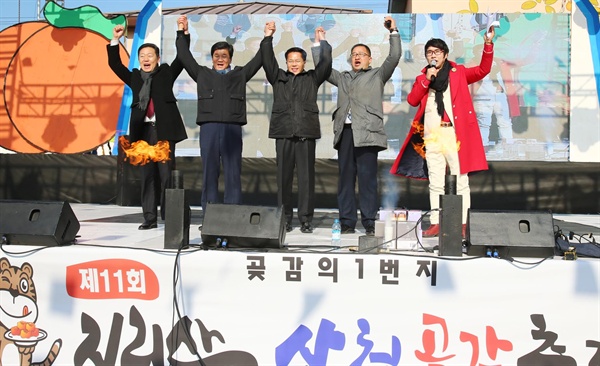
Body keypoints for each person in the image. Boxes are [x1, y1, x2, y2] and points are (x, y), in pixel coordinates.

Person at [390, 28, 496, 238]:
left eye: (437, 51)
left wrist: (488, 44)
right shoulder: (423, 77)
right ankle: (437, 222)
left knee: (460, 180)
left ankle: (463, 223)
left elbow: (483, 70)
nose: (433, 55)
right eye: (430, 52)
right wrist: (426, 80)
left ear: (445, 55)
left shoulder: (459, 73)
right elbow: (412, 100)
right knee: (436, 181)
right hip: (432, 135)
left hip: (454, 136)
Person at [313, 16, 401, 236]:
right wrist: (319, 44)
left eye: (361, 54)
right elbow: (322, 69)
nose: (357, 58)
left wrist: (394, 32)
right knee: (345, 180)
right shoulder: (342, 78)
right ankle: (347, 222)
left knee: (367, 180)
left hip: (368, 134)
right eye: (354, 55)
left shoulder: (377, 75)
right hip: (346, 133)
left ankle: (369, 220)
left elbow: (395, 56)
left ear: (369, 59)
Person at [175, 15, 265, 219]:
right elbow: (183, 55)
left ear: (230, 58)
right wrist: (182, 31)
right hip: (209, 127)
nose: (220, 58)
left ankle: (233, 216)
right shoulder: (202, 73)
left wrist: (267, 37)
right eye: (216, 55)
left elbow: (258, 60)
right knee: (209, 173)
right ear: (212, 57)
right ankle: (210, 216)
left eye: (224, 55)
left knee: (233, 173)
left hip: (232, 128)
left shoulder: (240, 74)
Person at [107, 20, 189, 230]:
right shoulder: (134, 77)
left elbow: (182, 59)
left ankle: (171, 216)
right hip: (142, 133)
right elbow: (115, 65)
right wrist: (115, 39)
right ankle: (149, 218)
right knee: (147, 177)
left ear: (157, 58)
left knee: (166, 176)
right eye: (142, 56)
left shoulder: (166, 73)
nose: (146, 59)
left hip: (163, 132)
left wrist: (182, 32)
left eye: (150, 55)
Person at [261, 22, 332, 233]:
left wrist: (322, 43)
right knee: (283, 179)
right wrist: (268, 37)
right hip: (283, 133)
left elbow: (326, 64)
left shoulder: (312, 78)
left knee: (306, 179)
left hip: (305, 134)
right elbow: (267, 60)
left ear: (304, 62)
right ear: (286, 63)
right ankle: (284, 219)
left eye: (297, 60)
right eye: (290, 61)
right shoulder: (278, 78)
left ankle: (306, 219)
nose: (294, 64)